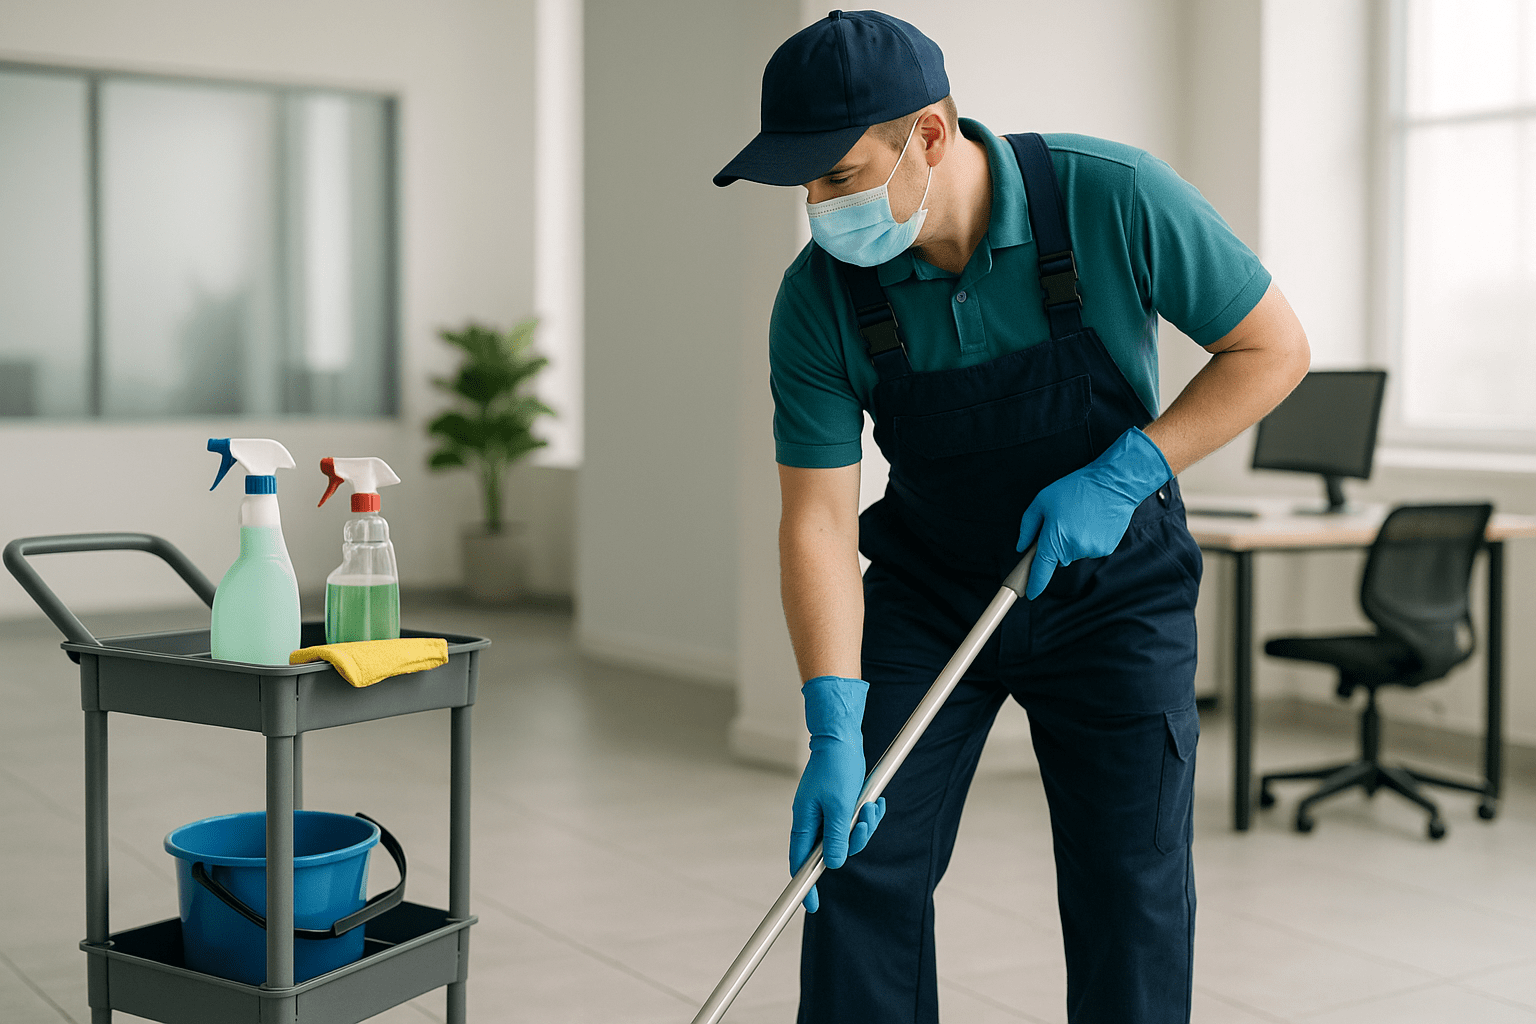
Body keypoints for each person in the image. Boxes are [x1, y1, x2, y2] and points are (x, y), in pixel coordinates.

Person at [714, 10, 1309, 1024]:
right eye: (805, 184)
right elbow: (816, 520)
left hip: (1115, 592)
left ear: (931, 136)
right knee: (857, 860)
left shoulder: (1108, 195)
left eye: (841, 175)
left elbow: (1274, 349)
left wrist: (1131, 469)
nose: (820, 207)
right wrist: (831, 720)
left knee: (1132, 891)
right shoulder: (819, 299)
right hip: (934, 586)